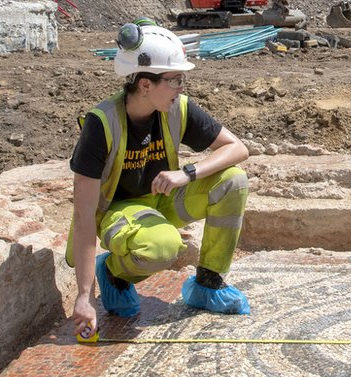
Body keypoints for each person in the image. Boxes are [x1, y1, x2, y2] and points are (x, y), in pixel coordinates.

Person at [68, 20, 251, 339]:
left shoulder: (176, 107)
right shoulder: (101, 124)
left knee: (233, 181)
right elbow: (84, 217)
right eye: (175, 79)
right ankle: (113, 274)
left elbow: (238, 148)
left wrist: (188, 173)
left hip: (162, 200)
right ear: (145, 84)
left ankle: (208, 284)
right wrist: (84, 296)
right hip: (119, 212)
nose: (182, 87)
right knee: (162, 246)